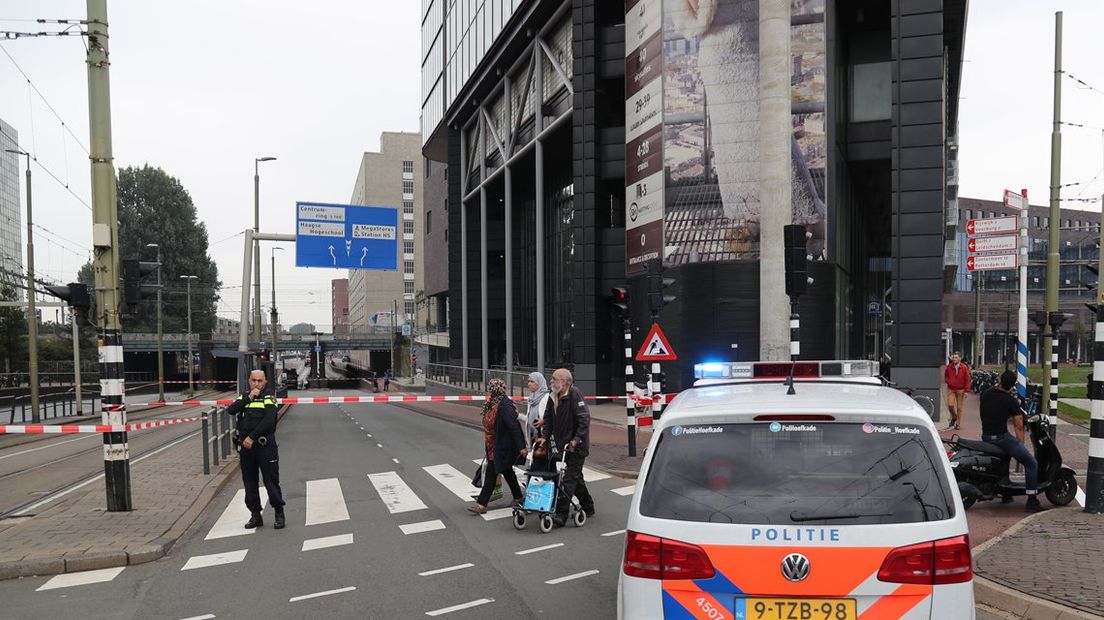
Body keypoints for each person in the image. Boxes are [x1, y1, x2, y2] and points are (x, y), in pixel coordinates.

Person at [225, 370, 287, 529]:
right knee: (250, 482)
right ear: (249, 381)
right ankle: (255, 515)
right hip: (247, 450)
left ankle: (279, 513)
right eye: (254, 380)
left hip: (265, 447)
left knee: (271, 481)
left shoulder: (269, 398)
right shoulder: (244, 397)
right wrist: (249, 397)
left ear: (265, 382)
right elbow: (231, 410)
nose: (257, 383)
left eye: (260, 380)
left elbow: (269, 422)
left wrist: (251, 437)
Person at [980, 370, 1046, 513]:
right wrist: (1020, 445)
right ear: (1012, 386)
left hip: (986, 436)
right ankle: (1032, 500)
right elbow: (1018, 425)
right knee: (1031, 463)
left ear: (1000, 380)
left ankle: (1006, 494)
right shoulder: (1010, 400)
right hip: (1001, 438)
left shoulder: (986, 394)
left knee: (1005, 458)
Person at [536, 368, 595, 526]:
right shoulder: (553, 395)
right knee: (576, 478)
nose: (551, 381)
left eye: (554, 378)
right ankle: (588, 506)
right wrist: (545, 437)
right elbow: (548, 417)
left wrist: (576, 439)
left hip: (577, 446)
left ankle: (561, 514)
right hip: (563, 446)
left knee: (568, 479)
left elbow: (584, 419)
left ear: (564, 382)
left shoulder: (575, 394)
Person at [469, 378, 527, 514]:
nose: (491, 390)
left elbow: (514, 426)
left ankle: (482, 504)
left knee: (491, 473)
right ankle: (518, 497)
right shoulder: (491, 403)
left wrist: (521, 446)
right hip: (493, 444)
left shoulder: (505, 405)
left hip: (502, 445)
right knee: (507, 471)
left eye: (493, 388)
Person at [943, 352, 970, 430]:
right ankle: (954, 416)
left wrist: (967, 391)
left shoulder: (964, 367)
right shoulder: (949, 367)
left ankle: (958, 424)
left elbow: (967, 379)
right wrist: (948, 381)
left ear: (959, 359)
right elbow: (946, 376)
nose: (954, 359)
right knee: (950, 405)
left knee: (959, 407)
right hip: (951, 389)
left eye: (956, 357)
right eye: (953, 357)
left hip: (960, 390)